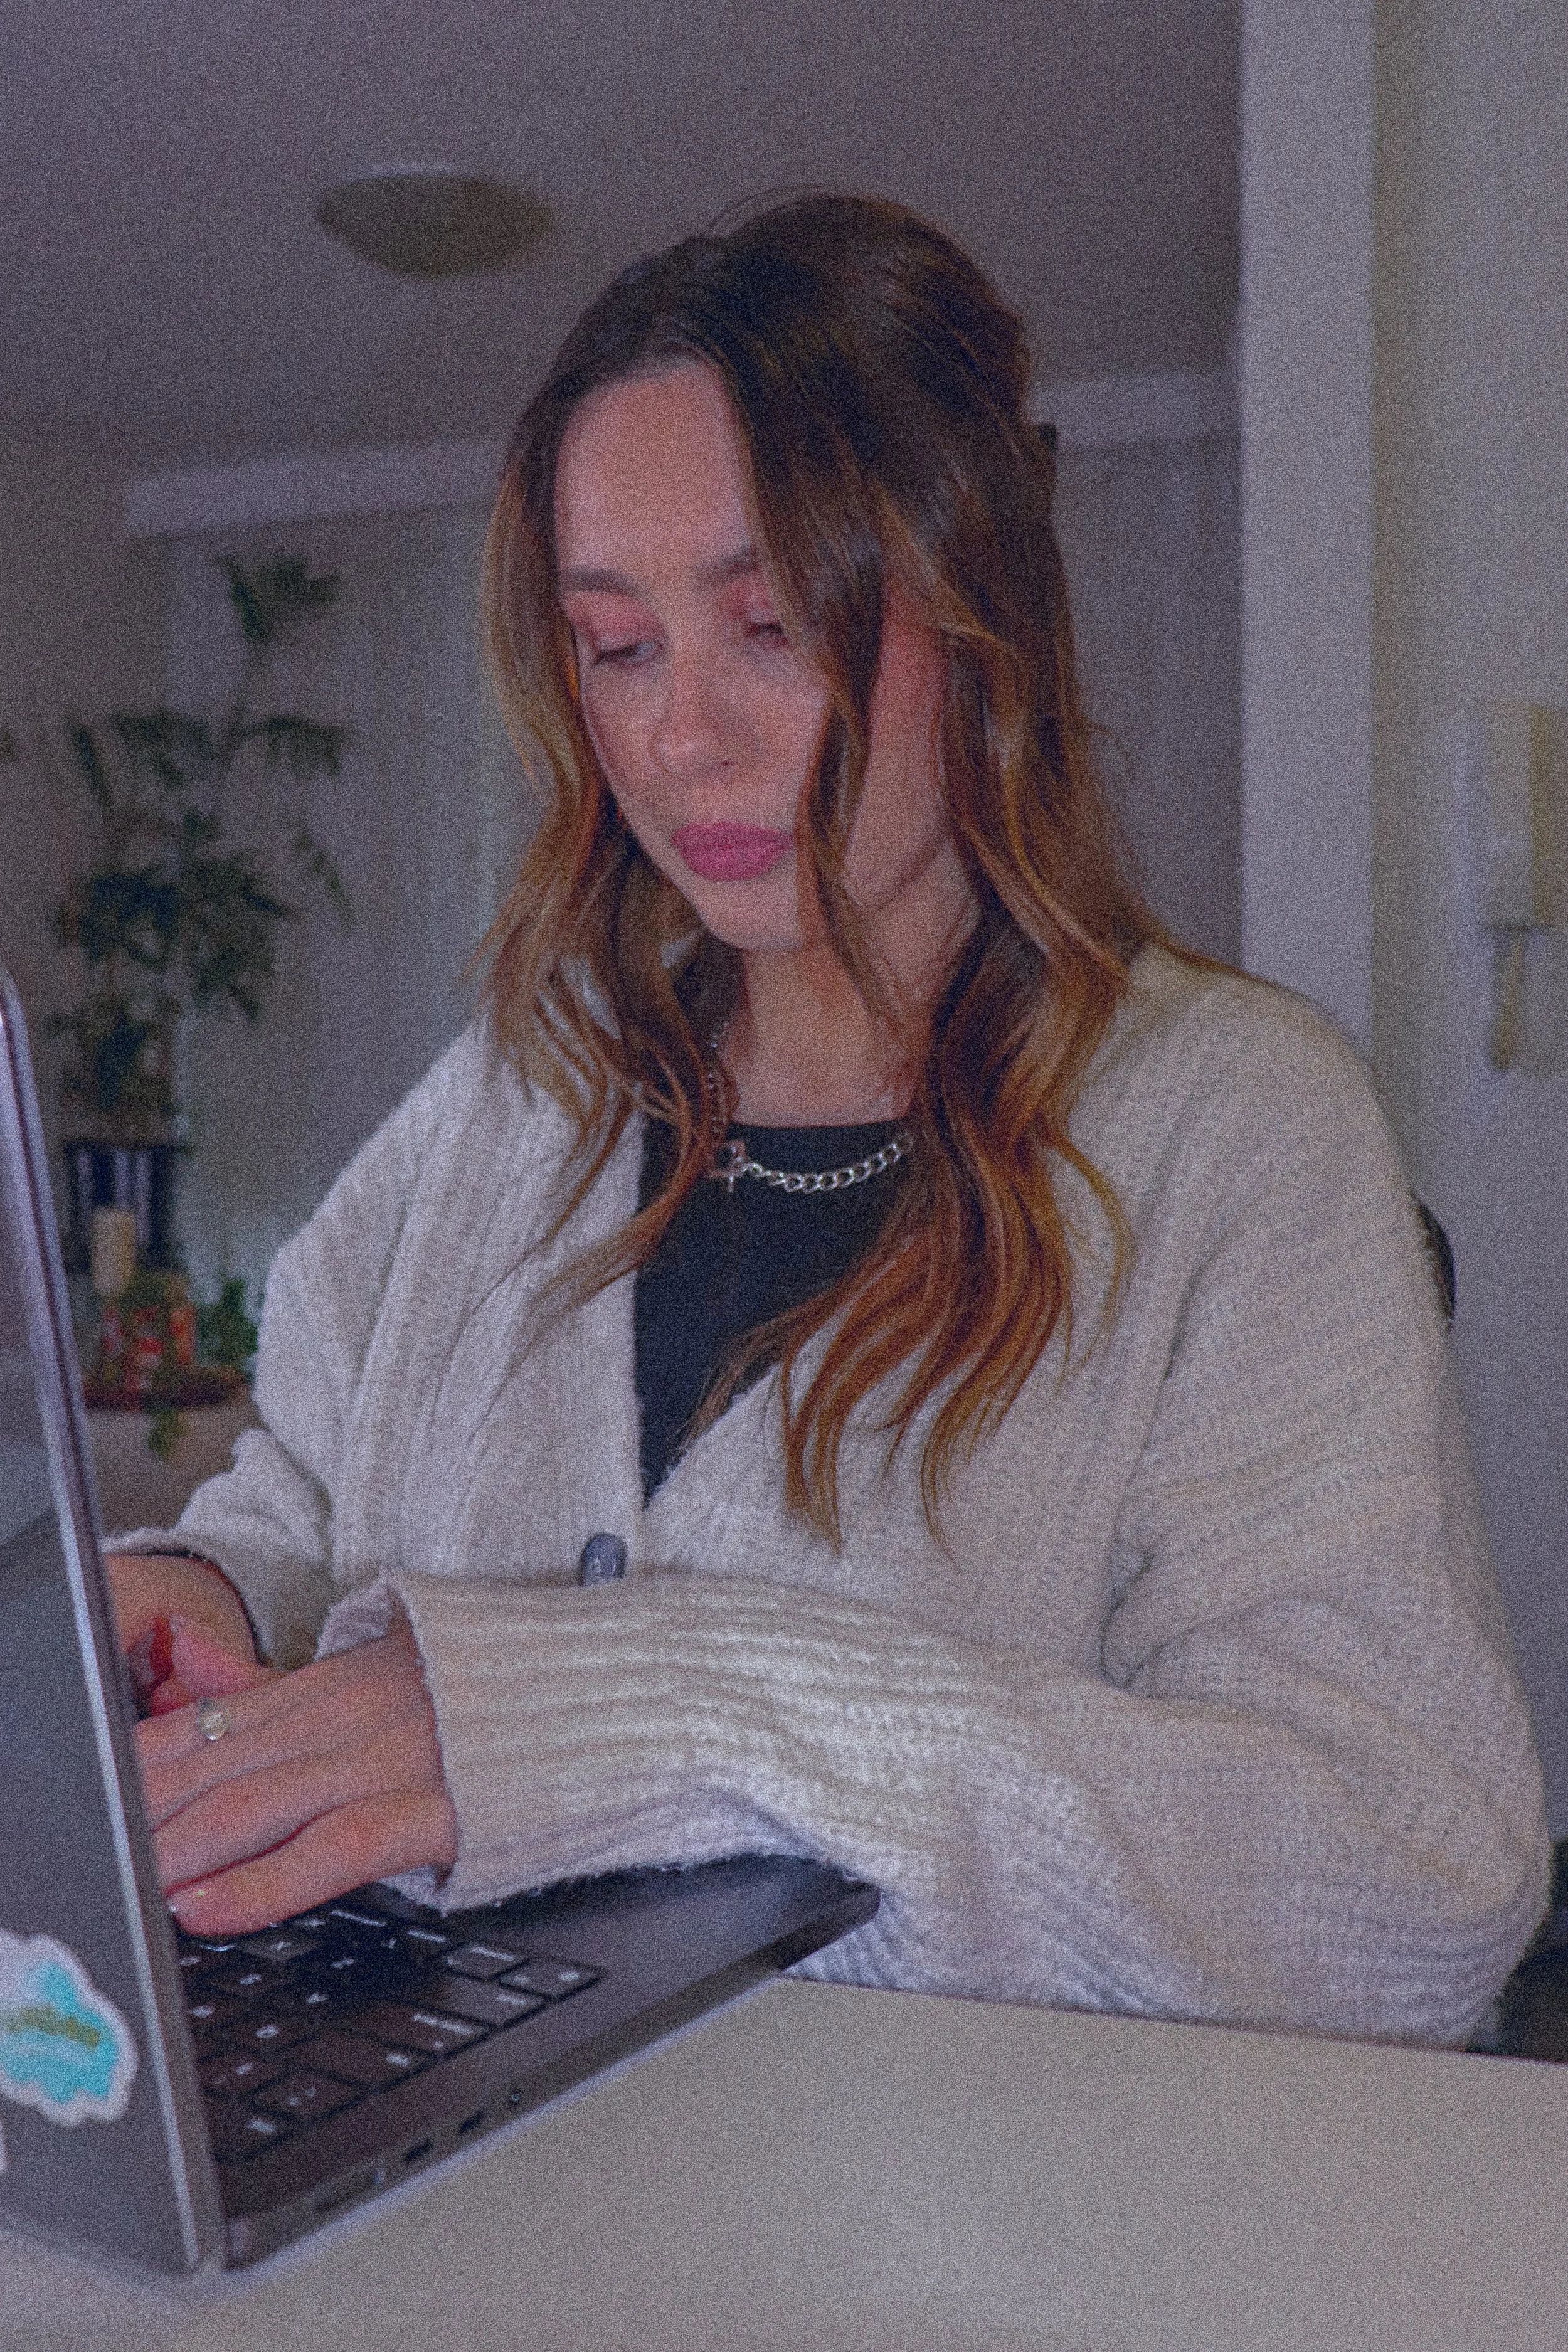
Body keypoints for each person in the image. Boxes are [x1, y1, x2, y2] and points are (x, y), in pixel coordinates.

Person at [108, 194, 1547, 2048]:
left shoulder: (1238, 1133)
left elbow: (1404, 1889)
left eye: (767, 623)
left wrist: (663, 1719)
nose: (681, 737)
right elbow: (300, 1501)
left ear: (974, 610)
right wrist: (194, 1599)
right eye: (616, 648)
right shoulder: (511, 1100)